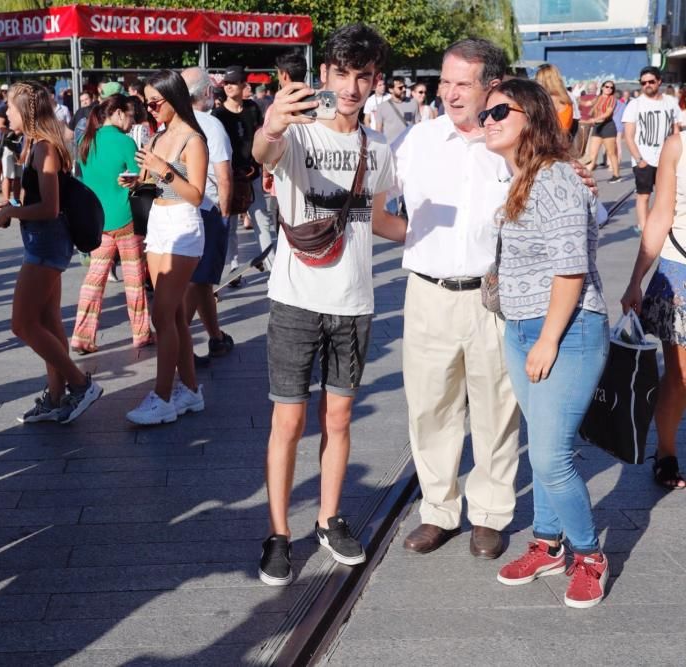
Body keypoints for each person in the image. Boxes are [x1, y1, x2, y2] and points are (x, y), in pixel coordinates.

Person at [251, 23, 405, 587]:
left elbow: (380, 218)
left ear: (374, 82)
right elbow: (264, 152)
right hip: (296, 299)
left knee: (338, 417)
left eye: (363, 77)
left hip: (354, 302)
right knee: (287, 420)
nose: (352, 87)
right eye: (343, 74)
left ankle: (328, 518)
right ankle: (277, 534)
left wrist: (434, 234)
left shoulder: (378, 148)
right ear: (325, 75)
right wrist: (270, 123)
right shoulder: (299, 135)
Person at [486, 78, 610, 608]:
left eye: (499, 112)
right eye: (486, 113)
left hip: (566, 329)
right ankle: (547, 543)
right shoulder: (522, 175)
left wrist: (548, 340)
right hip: (522, 327)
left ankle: (589, 555)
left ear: (530, 119)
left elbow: (570, 270)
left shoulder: (555, 178)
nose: (488, 120)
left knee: (552, 454)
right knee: (542, 447)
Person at [395, 39, 521, 560]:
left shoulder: (514, 142)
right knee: (430, 409)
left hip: (493, 296)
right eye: (445, 82)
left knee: (497, 407)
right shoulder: (416, 141)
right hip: (427, 293)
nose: (448, 92)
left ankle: (490, 514)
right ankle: (438, 510)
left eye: (461, 83)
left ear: (491, 86)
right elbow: (376, 203)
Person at [0, 82, 103, 424]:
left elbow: (50, 208)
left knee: (22, 324)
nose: (5, 114)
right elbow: (39, 201)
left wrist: (11, 212)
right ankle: (54, 396)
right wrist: (9, 207)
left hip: (46, 243)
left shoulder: (44, 149)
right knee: (50, 323)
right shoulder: (34, 145)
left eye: (9, 108)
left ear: (27, 112)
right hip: (41, 241)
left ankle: (80, 384)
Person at [123, 70, 209, 425]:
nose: (150, 108)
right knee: (172, 315)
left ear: (173, 98)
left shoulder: (193, 140)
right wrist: (139, 179)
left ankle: (162, 396)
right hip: (157, 223)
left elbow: (196, 195)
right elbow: (154, 181)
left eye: (155, 102)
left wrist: (163, 170)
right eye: (146, 102)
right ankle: (189, 390)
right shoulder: (158, 137)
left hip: (183, 228)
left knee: (161, 314)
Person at [621, 122, 686, 490]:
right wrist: (636, 280)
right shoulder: (677, 146)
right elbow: (660, 214)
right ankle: (665, 453)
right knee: (680, 376)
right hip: (681, 270)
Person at [70, 94, 152, 353]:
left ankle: (82, 335)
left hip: (98, 222)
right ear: (117, 113)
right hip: (127, 219)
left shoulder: (85, 141)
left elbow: (82, 181)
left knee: (94, 280)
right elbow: (141, 177)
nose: (131, 123)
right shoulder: (126, 142)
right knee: (135, 280)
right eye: (129, 117)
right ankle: (140, 333)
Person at [182, 66, 234, 362]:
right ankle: (179, 347)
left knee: (202, 279)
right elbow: (223, 177)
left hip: (180, 207)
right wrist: (225, 215)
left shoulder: (174, 124)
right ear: (205, 93)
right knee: (196, 280)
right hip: (207, 209)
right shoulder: (211, 126)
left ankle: (215, 336)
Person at [215, 65, 274, 280]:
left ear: (243, 85)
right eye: (226, 83)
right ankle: (233, 268)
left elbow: (261, 136)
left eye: (233, 83)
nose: (229, 87)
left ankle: (271, 266)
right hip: (229, 176)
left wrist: (266, 166)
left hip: (253, 174)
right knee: (229, 226)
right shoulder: (218, 113)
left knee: (262, 220)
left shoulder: (252, 108)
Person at [623, 66, 680, 233]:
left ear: (659, 82)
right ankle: (645, 227)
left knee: (668, 195)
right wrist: (639, 159)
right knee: (644, 194)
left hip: (666, 158)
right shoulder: (635, 104)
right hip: (644, 157)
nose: (647, 85)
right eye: (643, 82)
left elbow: (675, 130)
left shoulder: (670, 102)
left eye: (651, 82)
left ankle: (664, 225)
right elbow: (628, 135)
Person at [580, 80, 621, 183]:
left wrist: (594, 119)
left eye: (611, 88)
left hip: (608, 126)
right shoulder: (598, 98)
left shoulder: (612, 99)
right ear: (602, 87)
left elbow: (608, 113)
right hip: (597, 127)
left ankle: (616, 175)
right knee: (592, 154)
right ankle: (586, 177)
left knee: (611, 153)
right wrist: (576, 97)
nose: (609, 89)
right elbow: (587, 103)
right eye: (607, 87)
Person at [374, 75, 420, 143]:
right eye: (400, 88)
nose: (404, 89)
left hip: (409, 146)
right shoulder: (382, 107)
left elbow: (418, 126)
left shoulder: (413, 103)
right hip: (391, 148)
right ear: (391, 90)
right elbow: (378, 131)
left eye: (405, 86)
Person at [534, 64, 574, 135]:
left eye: (538, 81)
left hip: (552, 139)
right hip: (562, 139)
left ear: (547, 82)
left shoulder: (551, 98)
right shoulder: (563, 97)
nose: (536, 83)